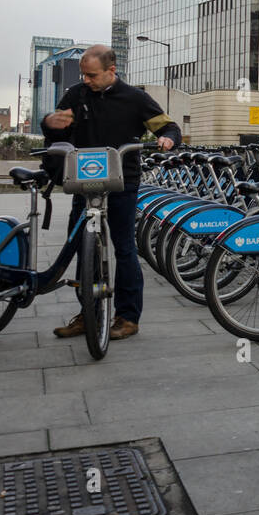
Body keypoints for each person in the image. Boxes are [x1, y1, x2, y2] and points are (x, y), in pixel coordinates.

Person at [42, 45, 180, 340]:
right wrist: (50, 124)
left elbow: (166, 126)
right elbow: (58, 131)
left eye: (91, 75)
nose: (86, 80)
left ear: (111, 71)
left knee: (124, 247)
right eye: (83, 75)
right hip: (84, 181)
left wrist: (168, 138)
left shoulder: (135, 98)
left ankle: (128, 318)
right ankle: (88, 314)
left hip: (122, 182)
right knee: (81, 245)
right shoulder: (75, 95)